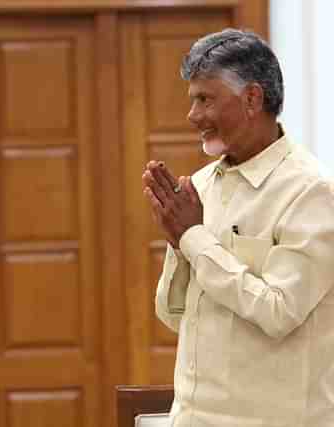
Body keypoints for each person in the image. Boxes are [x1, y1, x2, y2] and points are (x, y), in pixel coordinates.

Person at [142, 28, 334, 426]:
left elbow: (279, 312)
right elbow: (176, 316)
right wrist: (180, 245)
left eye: (205, 99)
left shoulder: (311, 192)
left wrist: (194, 238)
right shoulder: (200, 186)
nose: (193, 116)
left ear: (252, 99)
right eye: (192, 100)